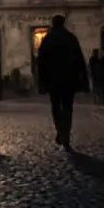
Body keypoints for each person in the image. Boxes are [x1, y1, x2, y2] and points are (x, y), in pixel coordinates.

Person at [35, 14, 88, 150]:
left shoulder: (48, 39)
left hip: (53, 79)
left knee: (56, 106)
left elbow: (41, 62)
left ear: (53, 23)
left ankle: (60, 130)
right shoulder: (70, 38)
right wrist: (84, 80)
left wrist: (41, 81)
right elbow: (80, 60)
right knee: (67, 106)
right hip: (69, 78)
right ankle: (66, 132)